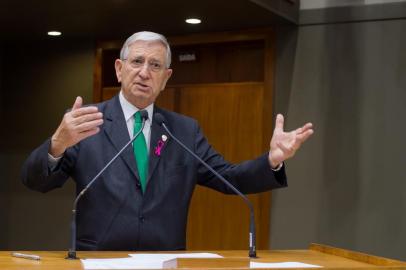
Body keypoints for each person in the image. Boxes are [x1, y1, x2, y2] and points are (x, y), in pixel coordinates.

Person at [21, 31, 313, 251]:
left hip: (165, 262)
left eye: (155, 65)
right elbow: (36, 181)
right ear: (119, 69)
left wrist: (273, 160)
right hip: (99, 261)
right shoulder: (85, 122)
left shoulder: (183, 131)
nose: (145, 72)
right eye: (137, 62)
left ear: (166, 77)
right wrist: (57, 144)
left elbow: (229, 178)